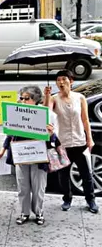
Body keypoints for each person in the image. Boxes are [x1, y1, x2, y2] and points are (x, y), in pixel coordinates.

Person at [0, 86, 59, 225]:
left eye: (26, 98)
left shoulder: (47, 114)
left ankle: (38, 212)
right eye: (22, 98)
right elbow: (10, 134)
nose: (23, 100)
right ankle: (24, 213)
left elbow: (54, 139)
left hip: (39, 157)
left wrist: (51, 133)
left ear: (35, 100)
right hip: (21, 155)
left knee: (38, 188)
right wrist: (3, 150)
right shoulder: (16, 113)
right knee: (22, 187)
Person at [44, 70, 99, 213]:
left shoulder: (80, 97)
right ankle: (67, 199)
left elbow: (85, 119)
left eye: (64, 79)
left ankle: (90, 200)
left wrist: (90, 139)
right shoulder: (54, 99)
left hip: (80, 141)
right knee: (63, 175)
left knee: (86, 174)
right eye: (58, 80)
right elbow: (46, 114)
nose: (61, 82)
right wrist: (46, 96)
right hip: (62, 142)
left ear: (71, 81)